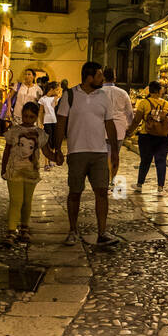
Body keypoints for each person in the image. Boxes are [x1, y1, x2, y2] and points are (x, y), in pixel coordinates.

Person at [54, 61, 120, 248]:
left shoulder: (103, 97)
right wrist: (57, 149)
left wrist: (114, 151)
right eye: (99, 76)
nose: (102, 79)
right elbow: (61, 123)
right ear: (89, 77)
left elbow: (109, 124)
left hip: (99, 152)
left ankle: (102, 232)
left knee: (102, 192)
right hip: (77, 151)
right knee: (75, 192)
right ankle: (72, 231)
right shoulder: (70, 95)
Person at [1, 101, 61, 242]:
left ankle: (24, 228)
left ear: (35, 118)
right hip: (14, 171)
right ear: (22, 115)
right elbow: (7, 150)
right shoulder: (14, 131)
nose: (28, 119)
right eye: (25, 116)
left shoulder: (39, 134)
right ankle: (11, 230)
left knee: (27, 201)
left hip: (31, 172)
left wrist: (56, 158)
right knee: (16, 201)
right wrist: (3, 168)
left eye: (31, 117)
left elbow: (46, 152)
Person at [126, 81, 168, 192]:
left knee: (145, 160)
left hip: (146, 136)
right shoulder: (167, 104)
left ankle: (139, 184)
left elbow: (137, 120)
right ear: (159, 91)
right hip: (164, 136)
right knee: (161, 160)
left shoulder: (144, 103)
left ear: (150, 90)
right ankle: (160, 186)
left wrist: (129, 132)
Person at [102, 66, 134, 187]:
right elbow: (129, 113)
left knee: (104, 156)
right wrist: (129, 128)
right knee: (115, 154)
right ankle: (112, 179)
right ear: (114, 77)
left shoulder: (98, 93)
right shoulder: (123, 93)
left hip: (102, 129)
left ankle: (104, 180)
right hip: (119, 130)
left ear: (103, 77)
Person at [39, 81, 60, 169]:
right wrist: (41, 122)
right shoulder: (43, 99)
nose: (58, 91)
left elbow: (56, 106)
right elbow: (41, 112)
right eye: (56, 90)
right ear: (51, 90)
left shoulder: (55, 98)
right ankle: (46, 162)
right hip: (47, 121)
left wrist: (56, 98)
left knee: (53, 142)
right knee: (47, 142)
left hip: (54, 121)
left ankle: (51, 159)